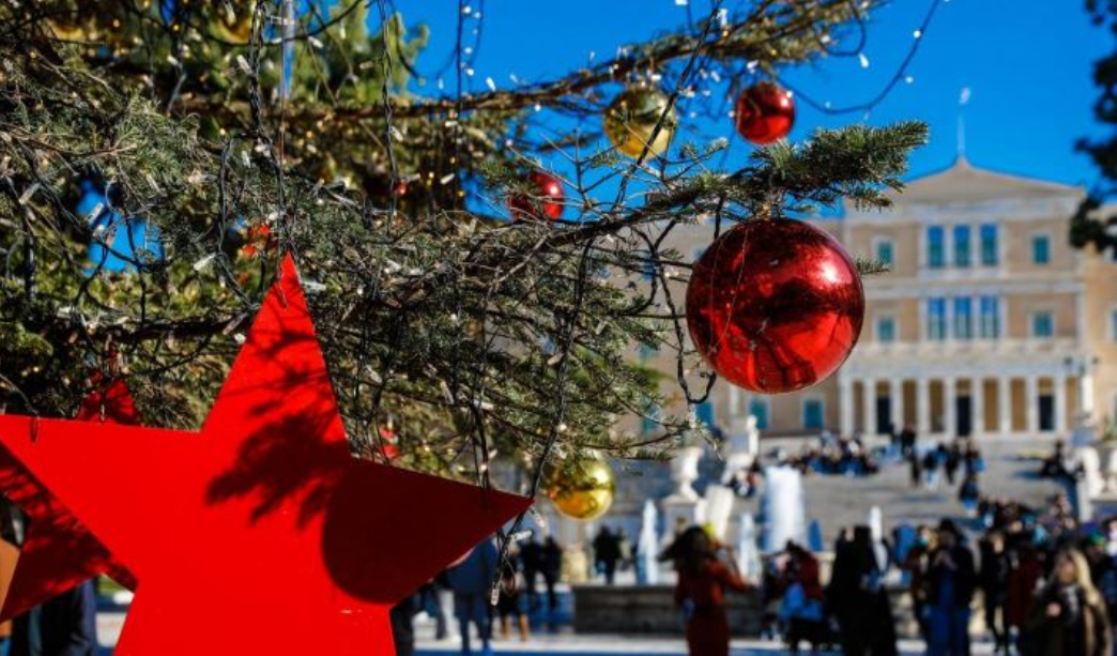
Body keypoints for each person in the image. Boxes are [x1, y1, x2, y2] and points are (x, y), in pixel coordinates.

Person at [670, 526, 747, 656]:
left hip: (696, 623)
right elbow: (741, 586)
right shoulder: (716, 569)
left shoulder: (685, 570)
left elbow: (678, 598)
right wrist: (732, 559)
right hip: (716, 622)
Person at [1024, 549, 1112, 656]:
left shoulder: (1091, 596)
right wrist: (1045, 613)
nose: (1060, 567)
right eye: (1058, 563)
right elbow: (1029, 625)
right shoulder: (1047, 594)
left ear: (1078, 567)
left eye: (1065, 563)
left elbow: (1104, 630)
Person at [827, 526, 897, 656]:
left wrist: (830, 609)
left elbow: (836, 584)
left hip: (851, 613)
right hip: (870, 613)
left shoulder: (846, 553)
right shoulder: (873, 552)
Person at [925, 520, 976, 656]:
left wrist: (953, 566)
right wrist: (935, 564)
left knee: (959, 642)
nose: (944, 539)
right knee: (938, 641)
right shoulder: (934, 553)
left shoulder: (964, 553)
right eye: (941, 536)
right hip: (939, 604)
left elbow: (971, 578)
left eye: (947, 535)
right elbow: (928, 579)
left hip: (959, 603)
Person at [445, 537, 499, 656]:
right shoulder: (477, 541)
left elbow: (492, 563)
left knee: (477, 619)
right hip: (466, 587)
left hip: (475, 588)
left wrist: (491, 585)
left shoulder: (482, 542)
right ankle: (470, 648)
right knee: (468, 620)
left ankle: (481, 645)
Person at [779, 542, 827, 654]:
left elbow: (808, 577)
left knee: (810, 625)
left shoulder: (809, 562)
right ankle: (795, 644)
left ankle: (813, 645)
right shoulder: (792, 563)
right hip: (797, 600)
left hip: (809, 597)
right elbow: (785, 579)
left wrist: (794, 576)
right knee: (796, 624)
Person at [979, 530, 1012, 655]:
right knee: (990, 620)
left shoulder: (1007, 556)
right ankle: (999, 640)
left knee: (1006, 622)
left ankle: (1007, 646)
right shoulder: (987, 556)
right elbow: (983, 574)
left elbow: (1011, 574)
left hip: (1005, 591)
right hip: (991, 592)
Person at [496, 558, 529, 641]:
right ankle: (505, 634)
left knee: (521, 613)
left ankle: (524, 635)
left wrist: (513, 585)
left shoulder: (516, 560)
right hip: (505, 589)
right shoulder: (501, 559)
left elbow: (518, 574)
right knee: (504, 613)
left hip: (517, 590)